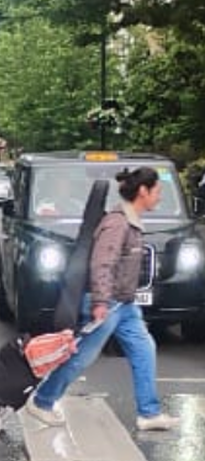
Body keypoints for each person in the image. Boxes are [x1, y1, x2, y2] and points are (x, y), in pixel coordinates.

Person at [26, 167, 180, 432]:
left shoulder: (131, 221)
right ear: (143, 191)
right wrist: (99, 302)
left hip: (125, 305)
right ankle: (42, 401)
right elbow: (102, 263)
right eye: (157, 191)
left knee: (145, 350)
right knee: (80, 357)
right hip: (108, 304)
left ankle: (149, 413)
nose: (158, 197)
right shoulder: (117, 223)